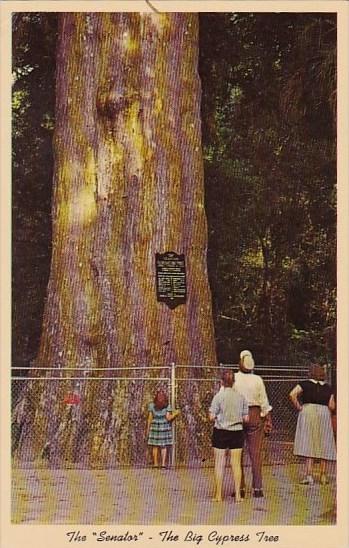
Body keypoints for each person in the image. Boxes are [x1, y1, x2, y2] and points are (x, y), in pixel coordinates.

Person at [233, 350, 272, 498]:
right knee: (255, 453)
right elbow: (264, 401)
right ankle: (257, 488)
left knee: (238, 453)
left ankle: (240, 487)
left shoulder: (235, 378)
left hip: (238, 414)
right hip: (255, 414)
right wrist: (268, 418)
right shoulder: (258, 380)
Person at [289, 364, 336, 485]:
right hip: (324, 413)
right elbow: (332, 405)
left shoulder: (304, 384)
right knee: (324, 443)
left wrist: (299, 407)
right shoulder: (328, 387)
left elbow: (292, 394)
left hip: (308, 411)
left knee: (308, 443)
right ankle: (323, 475)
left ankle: (309, 475)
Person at [209, 369, 249, 503]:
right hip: (237, 431)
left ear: (222, 382)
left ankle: (218, 495)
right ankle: (238, 495)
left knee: (219, 463)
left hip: (221, 431)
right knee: (236, 464)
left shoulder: (218, 397)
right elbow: (246, 418)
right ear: (234, 383)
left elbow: (211, 416)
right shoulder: (241, 397)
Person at [146, 389, 180, 468]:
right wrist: (175, 413)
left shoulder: (152, 405)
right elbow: (168, 418)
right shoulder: (167, 406)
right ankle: (163, 464)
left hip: (154, 426)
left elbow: (150, 418)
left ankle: (155, 464)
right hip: (164, 426)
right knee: (163, 446)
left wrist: (148, 429)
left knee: (155, 446)